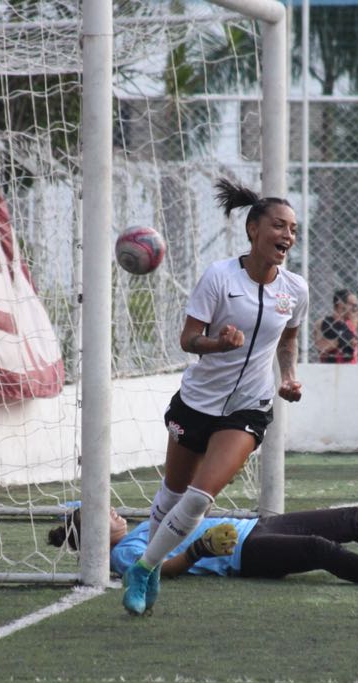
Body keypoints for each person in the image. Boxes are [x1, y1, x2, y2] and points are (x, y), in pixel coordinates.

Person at [119, 176, 308, 616]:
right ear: (253, 230)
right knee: (172, 495)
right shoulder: (219, 277)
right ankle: (151, 561)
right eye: (279, 226)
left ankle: (144, 569)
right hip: (197, 403)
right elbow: (187, 339)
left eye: (293, 229)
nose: (288, 236)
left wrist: (289, 376)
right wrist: (218, 344)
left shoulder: (294, 289)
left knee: (200, 498)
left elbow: (288, 339)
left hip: (249, 408)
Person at [48, 506, 358, 594]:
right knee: (318, 549)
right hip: (242, 553)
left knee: (355, 520)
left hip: (253, 527)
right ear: (91, 538)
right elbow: (166, 570)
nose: (112, 510)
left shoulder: (138, 527)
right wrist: (200, 547)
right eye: (101, 513)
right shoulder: (123, 556)